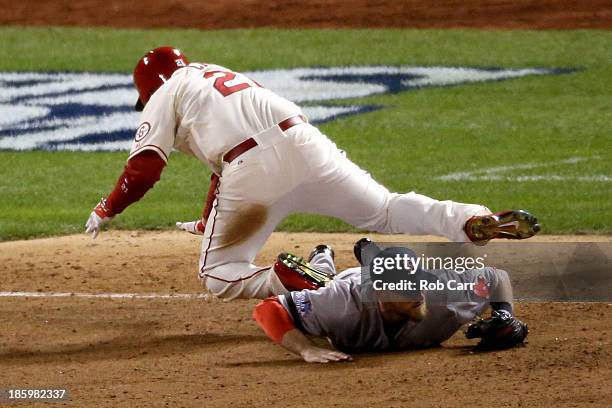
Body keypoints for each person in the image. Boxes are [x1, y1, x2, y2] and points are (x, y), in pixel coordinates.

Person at [85, 46, 540, 300]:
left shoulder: (167, 94)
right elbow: (221, 168)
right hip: (305, 142)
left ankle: (295, 278)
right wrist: (208, 220)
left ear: (150, 90)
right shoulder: (216, 74)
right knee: (384, 210)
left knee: (218, 272)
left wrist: (108, 208)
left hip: (252, 168)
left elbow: (143, 170)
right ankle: (468, 219)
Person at [253, 240, 529, 363]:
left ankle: (368, 253)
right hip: (349, 283)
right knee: (326, 283)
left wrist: (505, 314)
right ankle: (322, 257)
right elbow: (268, 308)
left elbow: (495, 277)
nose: (419, 292)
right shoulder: (343, 304)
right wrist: (306, 351)